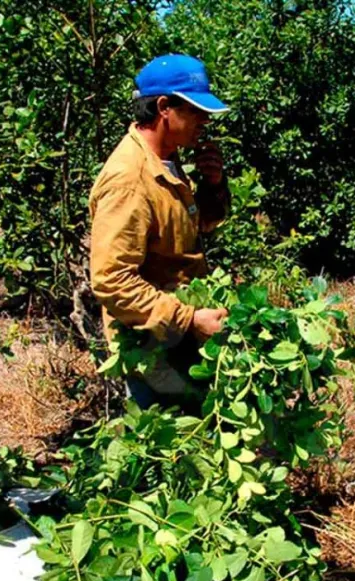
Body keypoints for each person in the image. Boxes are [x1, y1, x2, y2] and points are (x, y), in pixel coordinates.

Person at [89, 54, 231, 411]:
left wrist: (213, 187)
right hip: (152, 348)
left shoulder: (166, 159)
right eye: (196, 111)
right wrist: (189, 319)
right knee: (171, 447)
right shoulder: (128, 180)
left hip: (176, 336)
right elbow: (110, 280)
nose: (204, 121)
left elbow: (189, 229)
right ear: (164, 107)